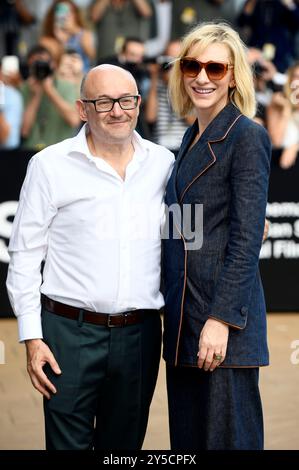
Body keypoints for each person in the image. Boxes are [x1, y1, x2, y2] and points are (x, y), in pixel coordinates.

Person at [6, 64, 174, 450]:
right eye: (104, 102)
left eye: (127, 100)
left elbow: (193, 229)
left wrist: (245, 224)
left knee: (124, 449)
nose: (118, 110)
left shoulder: (164, 164)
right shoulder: (49, 165)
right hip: (68, 334)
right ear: (83, 109)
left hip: (140, 335)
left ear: (138, 102)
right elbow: (25, 256)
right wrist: (32, 337)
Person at [162, 22, 272, 450]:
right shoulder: (189, 138)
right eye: (192, 65)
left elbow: (246, 239)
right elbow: (185, 230)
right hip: (184, 325)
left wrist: (221, 320)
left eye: (215, 68)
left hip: (222, 330)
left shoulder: (247, 136)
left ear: (233, 76)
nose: (202, 77)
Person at [21, 45, 80, 150]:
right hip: (30, 150)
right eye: (36, 65)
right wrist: (35, 96)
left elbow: (74, 120)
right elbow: (24, 131)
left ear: (52, 64)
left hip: (60, 150)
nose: (40, 69)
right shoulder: (24, 88)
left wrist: (50, 91)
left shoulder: (67, 86)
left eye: (43, 63)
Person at [267, 61, 299, 169]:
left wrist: (295, 146)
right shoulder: (277, 102)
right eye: (296, 76)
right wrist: (287, 109)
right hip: (277, 162)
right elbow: (277, 141)